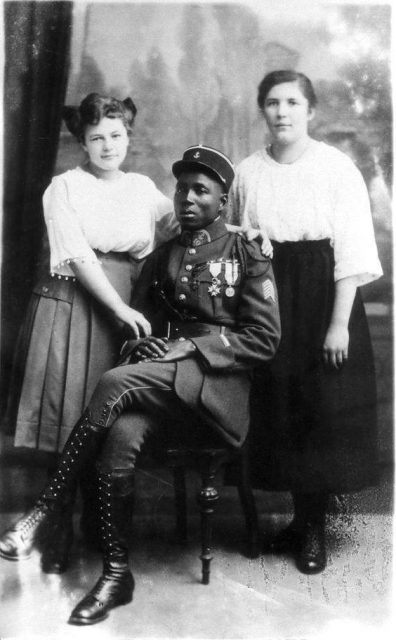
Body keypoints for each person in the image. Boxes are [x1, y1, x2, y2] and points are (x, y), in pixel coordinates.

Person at [0, 145, 281, 625]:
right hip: (162, 382)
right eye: (181, 189)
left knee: (113, 382)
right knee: (121, 440)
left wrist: (190, 349)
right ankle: (116, 575)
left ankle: (46, 510)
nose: (187, 199)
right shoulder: (163, 257)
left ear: (224, 199)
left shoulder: (247, 251)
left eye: (201, 190)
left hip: (216, 391)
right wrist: (145, 348)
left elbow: (264, 338)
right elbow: (145, 326)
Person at [4, 92, 179, 573]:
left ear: (129, 136)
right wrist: (120, 306)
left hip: (125, 310)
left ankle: (99, 530)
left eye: (116, 135)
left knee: (102, 426)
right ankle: (56, 530)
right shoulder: (63, 187)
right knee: (67, 421)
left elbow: (183, 223)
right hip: (74, 304)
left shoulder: (143, 188)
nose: (108, 145)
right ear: (81, 140)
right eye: (96, 137)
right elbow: (79, 256)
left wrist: (240, 230)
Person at [229, 70, 383, 575]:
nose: (282, 112)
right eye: (272, 102)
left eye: (293, 102)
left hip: (322, 298)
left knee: (318, 407)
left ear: (310, 110)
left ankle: (313, 526)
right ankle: (297, 521)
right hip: (268, 297)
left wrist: (338, 325)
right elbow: (233, 237)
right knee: (277, 406)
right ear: (262, 110)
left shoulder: (337, 169)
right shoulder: (249, 172)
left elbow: (354, 251)